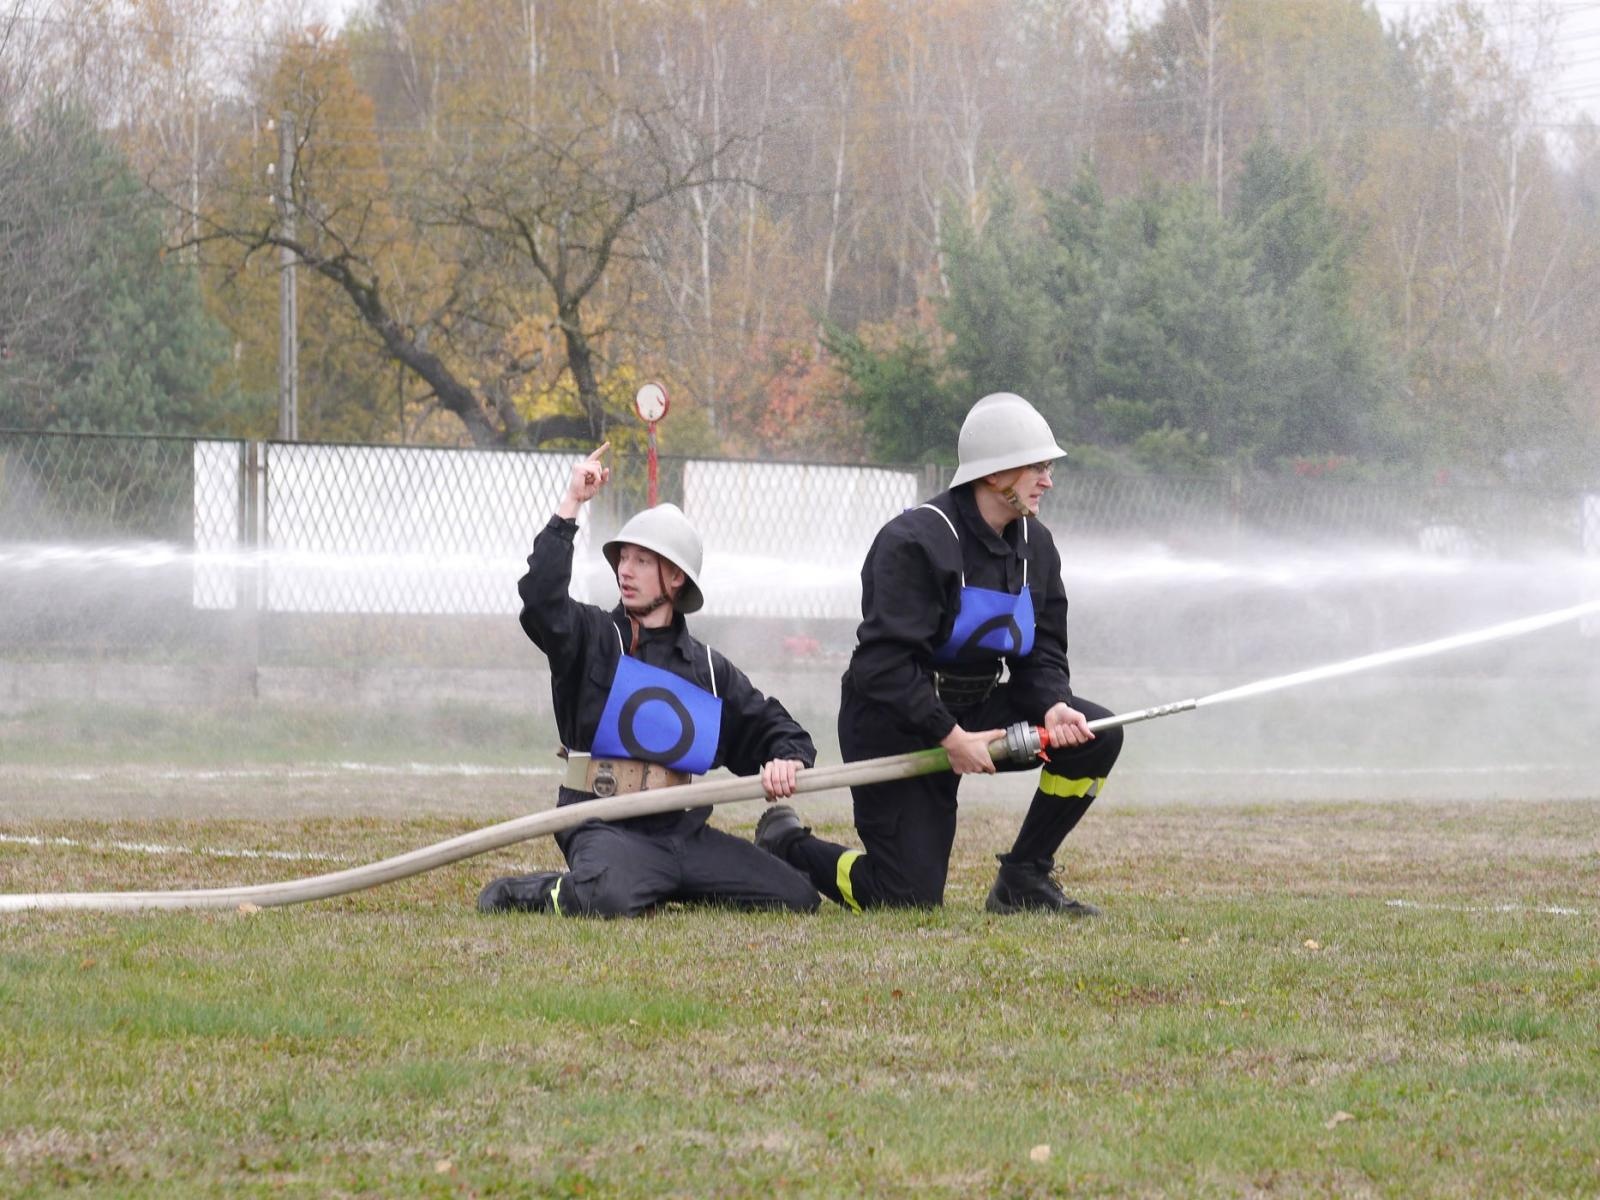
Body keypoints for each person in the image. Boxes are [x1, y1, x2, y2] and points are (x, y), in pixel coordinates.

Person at [756, 393, 1122, 915]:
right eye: (1036, 467)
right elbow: (881, 666)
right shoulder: (914, 543)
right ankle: (786, 843)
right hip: (895, 722)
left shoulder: (1035, 548)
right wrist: (950, 738)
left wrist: (1052, 704)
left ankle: (1023, 878)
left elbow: (1039, 653)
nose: (1048, 480)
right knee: (905, 899)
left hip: (975, 711)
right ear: (995, 474)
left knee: (1094, 734)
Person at [478, 443, 821, 917]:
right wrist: (571, 504)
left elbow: (775, 728)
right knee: (610, 897)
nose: (626, 570)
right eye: (624, 558)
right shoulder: (593, 637)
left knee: (797, 899)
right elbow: (539, 601)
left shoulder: (707, 669)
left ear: (675, 577)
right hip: (601, 823)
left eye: (642, 560)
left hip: (682, 832)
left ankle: (677, 874)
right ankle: (543, 891)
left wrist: (787, 759)